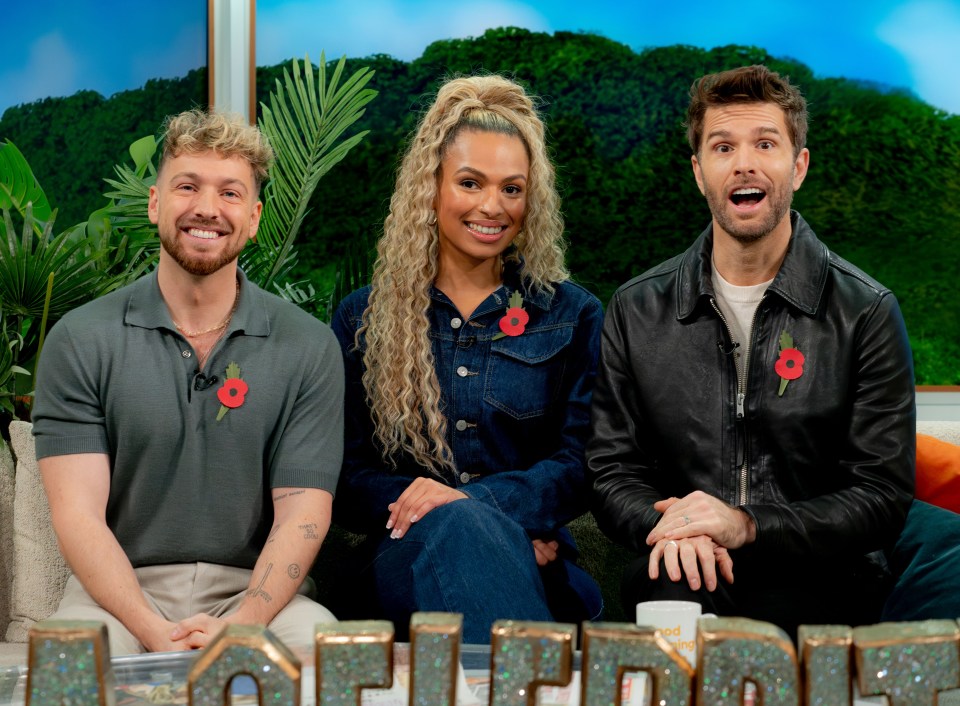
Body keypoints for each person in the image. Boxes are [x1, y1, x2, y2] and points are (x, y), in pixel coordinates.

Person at [587, 65, 915, 637]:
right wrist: (676, 527)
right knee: (670, 584)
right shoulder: (636, 310)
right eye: (723, 146)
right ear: (699, 172)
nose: (744, 162)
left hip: (825, 576)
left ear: (799, 165)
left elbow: (882, 495)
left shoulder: (866, 309)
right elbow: (613, 471)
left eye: (766, 143)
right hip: (686, 569)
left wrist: (745, 524)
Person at [31, 109, 343, 654]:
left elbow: (303, 511)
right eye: (187, 186)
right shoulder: (80, 339)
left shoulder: (309, 345)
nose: (206, 208)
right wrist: (153, 631)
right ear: (156, 203)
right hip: (118, 593)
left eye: (229, 193)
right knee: (71, 663)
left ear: (253, 217)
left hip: (257, 596)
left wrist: (245, 623)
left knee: (326, 653)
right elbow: (78, 515)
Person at [331, 75, 604, 643]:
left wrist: (482, 509)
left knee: (466, 521)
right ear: (430, 187)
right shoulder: (362, 319)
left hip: (540, 565)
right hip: (400, 569)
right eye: (470, 182)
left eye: (512, 188)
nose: (492, 206)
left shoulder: (573, 314)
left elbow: (584, 463)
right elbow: (346, 477)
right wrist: (463, 517)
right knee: (456, 526)